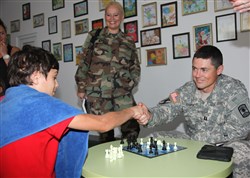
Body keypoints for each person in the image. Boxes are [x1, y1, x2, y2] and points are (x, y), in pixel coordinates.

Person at [0, 45, 144, 178]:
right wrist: (132, 111)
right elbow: (103, 123)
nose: (57, 84)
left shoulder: (4, 101)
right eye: (54, 77)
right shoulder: (42, 105)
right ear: (36, 77)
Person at [137, 45, 250, 178]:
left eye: (204, 70)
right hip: (194, 141)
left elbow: (241, 130)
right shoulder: (187, 90)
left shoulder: (234, 90)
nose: (197, 75)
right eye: (194, 69)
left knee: (243, 154)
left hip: (225, 144)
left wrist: (200, 140)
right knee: (154, 139)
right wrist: (149, 115)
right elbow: (167, 110)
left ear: (219, 69)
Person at [75, 2, 141, 143]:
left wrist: (131, 82)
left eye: (116, 15)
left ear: (122, 17)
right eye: (108, 15)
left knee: (132, 129)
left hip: (121, 93)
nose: (112, 18)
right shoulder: (94, 36)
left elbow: (135, 65)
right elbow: (84, 62)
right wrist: (81, 87)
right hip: (98, 94)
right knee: (105, 132)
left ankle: (131, 158)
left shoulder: (128, 40)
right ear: (105, 16)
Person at [0, 18, 20, 89]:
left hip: (11, 95)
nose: (0, 37)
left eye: (2, 33)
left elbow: (17, 73)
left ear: (6, 34)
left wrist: (5, 54)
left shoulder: (14, 50)